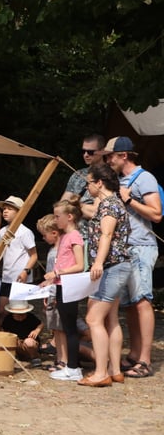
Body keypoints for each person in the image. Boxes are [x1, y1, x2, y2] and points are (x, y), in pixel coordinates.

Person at [100, 136, 162, 378]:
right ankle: (134, 355)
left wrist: (129, 199)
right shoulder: (120, 180)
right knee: (128, 305)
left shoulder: (145, 178)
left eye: (110, 156)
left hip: (141, 246)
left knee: (142, 300)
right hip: (123, 249)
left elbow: (156, 214)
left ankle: (145, 360)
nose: (107, 160)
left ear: (124, 155)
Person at [79, 163, 133, 387]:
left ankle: (101, 373)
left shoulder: (109, 205)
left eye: (89, 182)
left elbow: (107, 234)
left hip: (111, 267)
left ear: (99, 182)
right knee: (111, 319)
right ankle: (115, 369)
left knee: (93, 318)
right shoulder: (112, 203)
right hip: (118, 267)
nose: (87, 187)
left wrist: (98, 262)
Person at [40, 198, 85, 381]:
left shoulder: (74, 236)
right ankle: (70, 366)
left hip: (68, 286)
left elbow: (80, 265)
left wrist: (57, 272)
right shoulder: (66, 236)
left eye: (58, 216)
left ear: (70, 217)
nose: (56, 220)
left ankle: (74, 367)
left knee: (70, 328)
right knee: (65, 326)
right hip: (60, 285)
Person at [0, 196, 38, 325]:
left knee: (18, 312)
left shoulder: (25, 232)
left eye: (9, 209)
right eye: (4, 209)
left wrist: (26, 271)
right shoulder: (3, 231)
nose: (5, 211)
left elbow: (34, 255)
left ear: (19, 212)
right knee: (2, 310)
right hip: (7, 277)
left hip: (20, 278)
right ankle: (2, 335)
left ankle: (19, 337)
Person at [35, 214, 62, 364]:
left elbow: (53, 278)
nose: (43, 238)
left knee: (58, 326)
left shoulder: (55, 253)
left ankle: (61, 357)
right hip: (53, 292)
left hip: (55, 293)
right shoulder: (56, 251)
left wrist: (48, 293)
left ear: (54, 233)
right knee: (54, 326)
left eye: (44, 235)